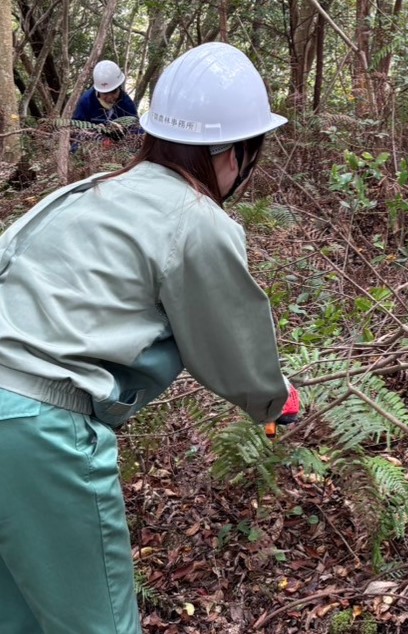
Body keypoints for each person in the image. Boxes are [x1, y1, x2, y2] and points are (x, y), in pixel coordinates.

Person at [0, 42, 299, 634]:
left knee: (18, 614)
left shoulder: (86, 195)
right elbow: (232, 344)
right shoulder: (195, 218)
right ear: (232, 151)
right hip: (37, 431)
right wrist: (273, 399)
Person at [72, 60, 139, 147]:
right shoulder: (87, 101)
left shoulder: (127, 104)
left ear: (119, 87)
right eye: (105, 93)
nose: (110, 97)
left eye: (113, 92)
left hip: (118, 148)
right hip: (90, 146)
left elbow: (136, 130)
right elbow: (76, 128)